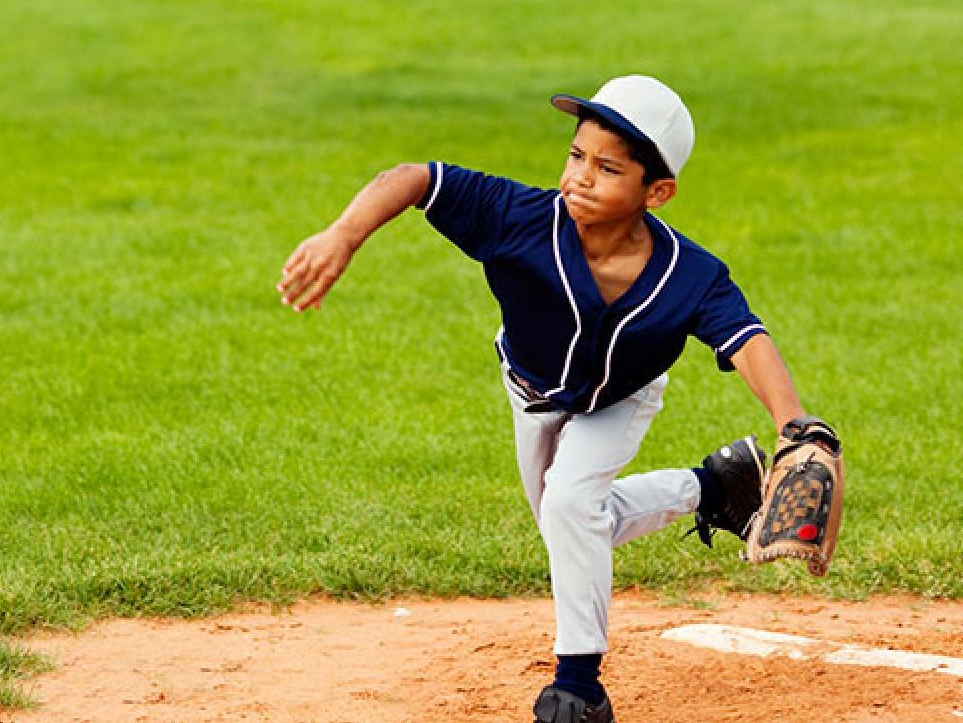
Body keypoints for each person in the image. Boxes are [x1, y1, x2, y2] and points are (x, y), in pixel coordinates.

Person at [277, 75, 814, 723]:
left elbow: (747, 338)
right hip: (529, 393)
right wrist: (344, 233)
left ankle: (578, 687)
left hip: (621, 400)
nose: (581, 177)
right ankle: (716, 486)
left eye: (608, 168)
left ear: (657, 192)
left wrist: (795, 423)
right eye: (576, 156)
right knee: (576, 525)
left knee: (569, 505)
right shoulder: (519, 219)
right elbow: (417, 178)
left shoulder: (688, 275)